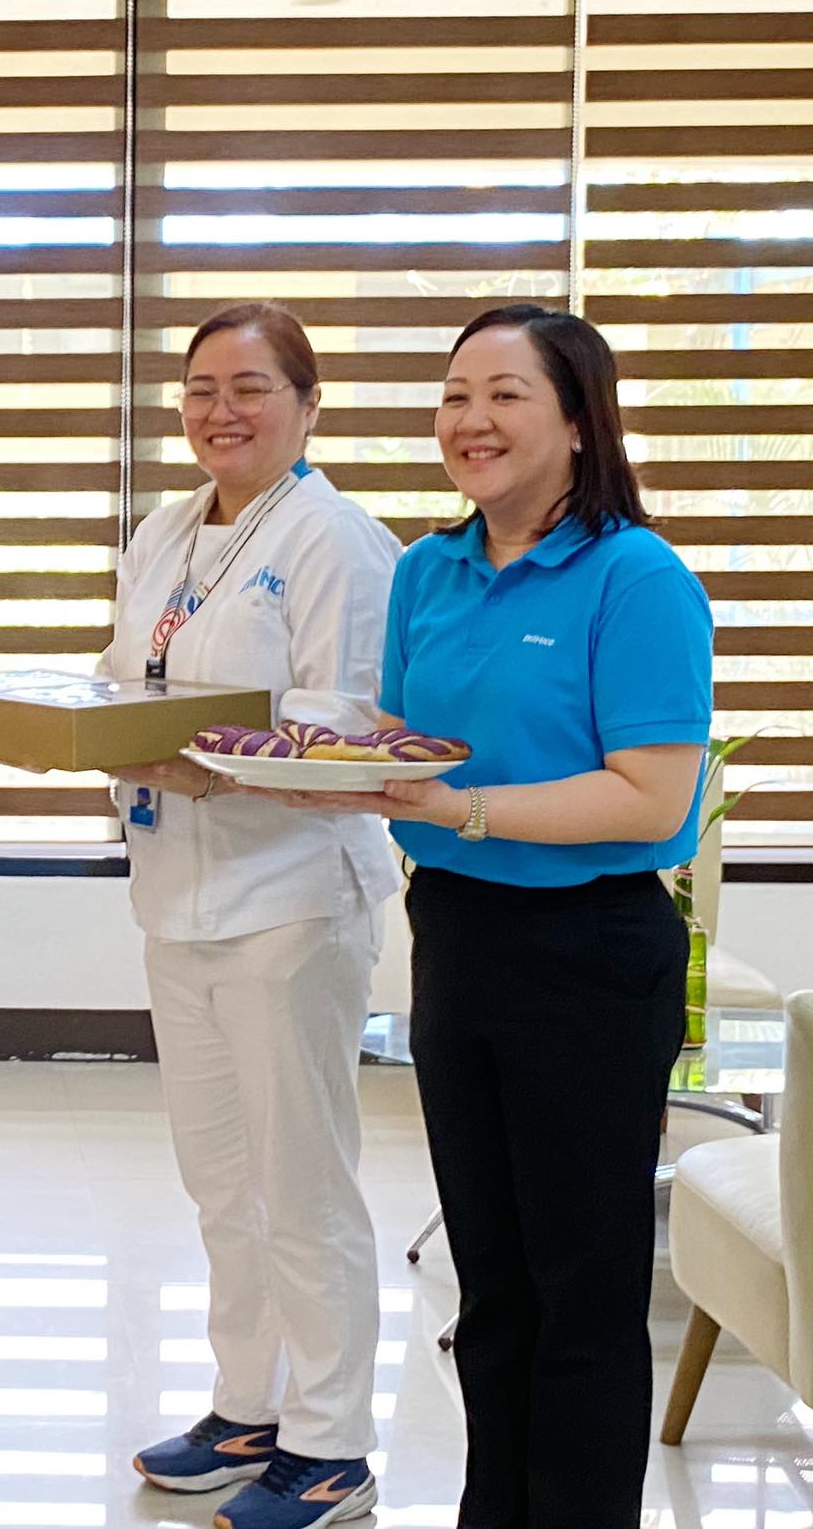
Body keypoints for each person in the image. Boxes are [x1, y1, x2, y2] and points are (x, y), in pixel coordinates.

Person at [285, 306, 713, 1529]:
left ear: (576, 422)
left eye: (505, 395)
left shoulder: (635, 577)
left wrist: (459, 808)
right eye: (453, 394)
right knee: (492, 1277)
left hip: (589, 949)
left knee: (579, 1288)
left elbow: (649, 793)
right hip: (460, 939)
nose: (469, 421)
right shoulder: (428, 569)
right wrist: (280, 755)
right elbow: (407, 743)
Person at [100, 303, 401, 1529]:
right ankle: (246, 1406)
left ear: (307, 403)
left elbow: (355, 725)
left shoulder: (340, 540)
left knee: (301, 1180)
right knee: (220, 1175)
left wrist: (209, 758)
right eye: (200, 388)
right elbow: (128, 677)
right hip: (176, 889)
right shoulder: (162, 527)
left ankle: (330, 1447)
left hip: (290, 898)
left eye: (252, 387)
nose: (221, 410)